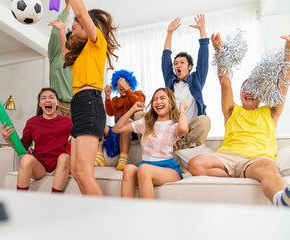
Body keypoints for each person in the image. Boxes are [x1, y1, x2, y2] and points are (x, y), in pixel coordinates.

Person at [188, 33, 290, 207]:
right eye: (245, 88)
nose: (249, 92)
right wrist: (219, 50)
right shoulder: (232, 110)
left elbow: (284, 82)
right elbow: (225, 84)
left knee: (270, 170)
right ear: (241, 92)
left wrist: (288, 49)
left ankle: (281, 199)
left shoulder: (271, 111)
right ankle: (237, 176)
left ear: (262, 93)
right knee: (195, 163)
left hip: (257, 159)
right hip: (227, 157)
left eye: (253, 89)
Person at [49, 0, 120, 196]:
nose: (73, 31)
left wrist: (71, 5)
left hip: (90, 104)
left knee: (84, 173)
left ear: (89, 24)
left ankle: (101, 221)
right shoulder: (80, 55)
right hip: (79, 106)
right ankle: (90, 215)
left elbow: (80, 11)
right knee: (77, 171)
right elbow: (64, 54)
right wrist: (62, 30)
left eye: (75, 27)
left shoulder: (97, 43)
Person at [112, 88, 188, 199]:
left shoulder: (173, 126)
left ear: (171, 104)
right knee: (128, 169)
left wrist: (182, 110)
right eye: (155, 99)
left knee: (143, 168)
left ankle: (147, 214)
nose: (158, 102)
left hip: (167, 168)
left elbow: (183, 130)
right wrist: (132, 109)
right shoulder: (145, 123)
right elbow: (116, 129)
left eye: (162, 98)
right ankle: (127, 212)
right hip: (145, 167)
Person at [1, 88, 72, 193]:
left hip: (59, 167)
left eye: (51, 97)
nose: (47, 100)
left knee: (65, 157)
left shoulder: (67, 121)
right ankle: (20, 200)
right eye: (43, 98)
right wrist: (8, 140)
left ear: (57, 102)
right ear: (39, 104)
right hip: (40, 168)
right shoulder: (32, 122)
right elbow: (22, 148)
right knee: (26, 159)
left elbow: (79, 137)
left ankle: (55, 199)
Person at [162, 14, 211, 149]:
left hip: (190, 129)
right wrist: (169, 32)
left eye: (182, 62)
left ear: (190, 67)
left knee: (205, 120)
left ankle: (188, 148)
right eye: (176, 63)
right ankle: (177, 146)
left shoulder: (196, 79)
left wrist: (202, 29)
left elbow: (203, 57)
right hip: (172, 129)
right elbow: (166, 57)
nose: (178, 65)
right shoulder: (169, 80)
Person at [99, 70, 145, 171]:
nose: (122, 87)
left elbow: (138, 104)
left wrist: (127, 89)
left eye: (124, 83)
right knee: (98, 124)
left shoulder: (138, 94)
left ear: (130, 83)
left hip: (131, 129)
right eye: (119, 85)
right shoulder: (115, 100)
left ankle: (123, 159)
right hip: (116, 129)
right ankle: (99, 157)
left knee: (124, 120)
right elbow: (110, 112)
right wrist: (107, 97)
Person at [47, 0, 73, 117]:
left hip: (76, 106)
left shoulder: (79, 59)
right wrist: (68, 7)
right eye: (71, 38)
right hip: (57, 105)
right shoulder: (56, 54)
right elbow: (56, 32)